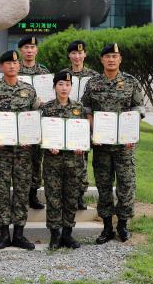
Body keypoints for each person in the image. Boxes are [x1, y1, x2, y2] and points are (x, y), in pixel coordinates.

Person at [81, 43, 145, 244]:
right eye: (107, 56)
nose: (111, 59)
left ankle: (123, 225)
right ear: (101, 60)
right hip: (102, 145)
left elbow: (138, 108)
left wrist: (130, 133)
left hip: (124, 146)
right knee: (104, 185)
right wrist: (94, 130)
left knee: (126, 184)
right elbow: (87, 109)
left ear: (120, 59)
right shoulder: (93, 83)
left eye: (114, 56)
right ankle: (107, 226)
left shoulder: (130, 82)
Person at [0, 50, 40, 250]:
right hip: (2, 150)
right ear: (1, 67)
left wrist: (30, 137)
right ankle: (4, 234)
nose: (12, 66)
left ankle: (19, 234)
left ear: (19, 66)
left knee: (22, 191)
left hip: (23, 151)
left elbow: (35, 117)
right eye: (8, 63)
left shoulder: (29, 90)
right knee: (1, 191)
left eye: (15, 63)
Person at [41, 70, 86, 250]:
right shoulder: (47, 108)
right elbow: (41, 133)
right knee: (53, 198)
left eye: (67, 85)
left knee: (71, 197)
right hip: (53, 161)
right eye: (60, 84)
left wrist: (81, 144)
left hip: (74, 162)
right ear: (54, 87)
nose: (64, 88)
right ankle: (54, 235)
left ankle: (67, 234)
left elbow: (84, 132)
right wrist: (48, 144)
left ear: (71, 87)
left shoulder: (79, 108)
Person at [66, 40, 99, 210]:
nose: (77, 56)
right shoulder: (63, 75)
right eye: (73, 53)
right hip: (66, 123)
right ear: (69, 55)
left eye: (80, 53)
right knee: (66, 161)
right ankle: (67, 194)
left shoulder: (94, 77)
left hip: (84, 124)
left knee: (82, 162)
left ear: (85, 54)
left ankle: (79, 195)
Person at [18, 36, 49, 210]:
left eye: (32, 47)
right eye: (26, 47)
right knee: (20, 159)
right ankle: (20, 193)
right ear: (21, 51)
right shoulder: (15, 69)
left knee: (36, 159)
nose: (30, 50)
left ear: (36, 50)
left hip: (38, 122)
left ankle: (33, 193)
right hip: (19, 123)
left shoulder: (44, 73)